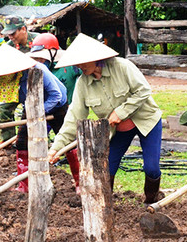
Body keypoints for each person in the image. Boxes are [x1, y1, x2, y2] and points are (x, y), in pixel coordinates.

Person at [47, 34, 163, 203]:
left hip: (147, 120)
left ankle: (152, 201)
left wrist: (120, 112)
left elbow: (143, 90)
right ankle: (104, 206)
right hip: (119, 129)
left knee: (151, 168)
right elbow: (73, 117)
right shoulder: (82, 83)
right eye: (76, 63)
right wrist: (56, 148)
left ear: (96, 58)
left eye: (83, 61)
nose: (79, 66)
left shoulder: (122, 67)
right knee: (106, 168)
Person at [0, 45, 78, 193]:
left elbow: (56, 95)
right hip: (31, 107)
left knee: (68, 143)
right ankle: (24, 186)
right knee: (22, 144)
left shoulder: (38, 70)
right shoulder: (5, 79)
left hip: (57, 106)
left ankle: (79, 182)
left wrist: (39, 112)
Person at [0, 16, 40, 142]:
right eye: (7, 34)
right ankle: (7, 141)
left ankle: (34, 141)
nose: (10, 37)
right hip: (18, 86)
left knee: (30, 113)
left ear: (23, 29)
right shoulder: (9, 47)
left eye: (13, 33)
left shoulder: (38, 40)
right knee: (2, 107)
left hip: (40, 86)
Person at [29, 33, 81, 102]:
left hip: (70, 108)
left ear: (52, 54)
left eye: (41, 57)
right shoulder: (34, 71)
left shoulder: (69, 65)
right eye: (36, 58)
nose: (39, 61)